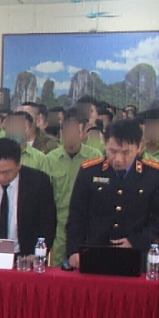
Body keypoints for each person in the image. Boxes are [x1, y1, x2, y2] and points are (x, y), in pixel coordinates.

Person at [66, 118, 159, 268]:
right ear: (104, 143)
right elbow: (77, 215)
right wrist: (74, 250)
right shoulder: (89, 171)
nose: (118, 159)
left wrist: (137, 241)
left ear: (139, 147)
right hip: (94, 251)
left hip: (137, 254)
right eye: (112, 151)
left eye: (126, 152)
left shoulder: (154, 174)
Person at [0, 138, 56, 254]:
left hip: (25, 256)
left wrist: (38, 253)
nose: (0, 178)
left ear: (19, 165)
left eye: (6, 172)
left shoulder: (38, 182)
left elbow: (48, 224)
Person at [41, 111, 102, 266]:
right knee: (56, 267)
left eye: (76, 131)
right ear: (61, 133)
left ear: (83, 134)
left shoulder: (95, 157)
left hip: (86, 224)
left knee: (85, 266)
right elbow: (46, 196)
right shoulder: (51, 159)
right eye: (67, 132)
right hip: (59, 224)